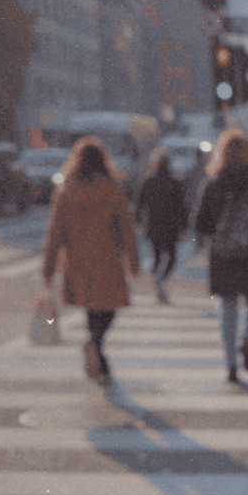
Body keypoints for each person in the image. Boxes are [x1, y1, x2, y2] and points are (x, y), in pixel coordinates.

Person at [41, 137, 140, 384]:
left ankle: (95, 348)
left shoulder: (67, 192)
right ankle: (95, 346)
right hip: (107, 260)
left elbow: (55, 232)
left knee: (91, 309)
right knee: (107, 310)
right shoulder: (111, 190)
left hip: (78, 262)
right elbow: (127, 230)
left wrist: (49, 267)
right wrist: (134, 260)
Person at [194, 129, 248, 383]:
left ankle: (231, 364)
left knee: (228, 307)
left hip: (223, 254)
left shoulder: (213, 184)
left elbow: (201, 224)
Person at [136, 147, 188, 304]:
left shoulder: (149, 182)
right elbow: (182, 208)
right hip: (170, 227)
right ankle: (160, 281)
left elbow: (140, 205)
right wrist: (184, 227)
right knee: (171, 258)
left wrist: (138, 221)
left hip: (154, 226)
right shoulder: (175, 183)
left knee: (158, 257)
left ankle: (158, 282)